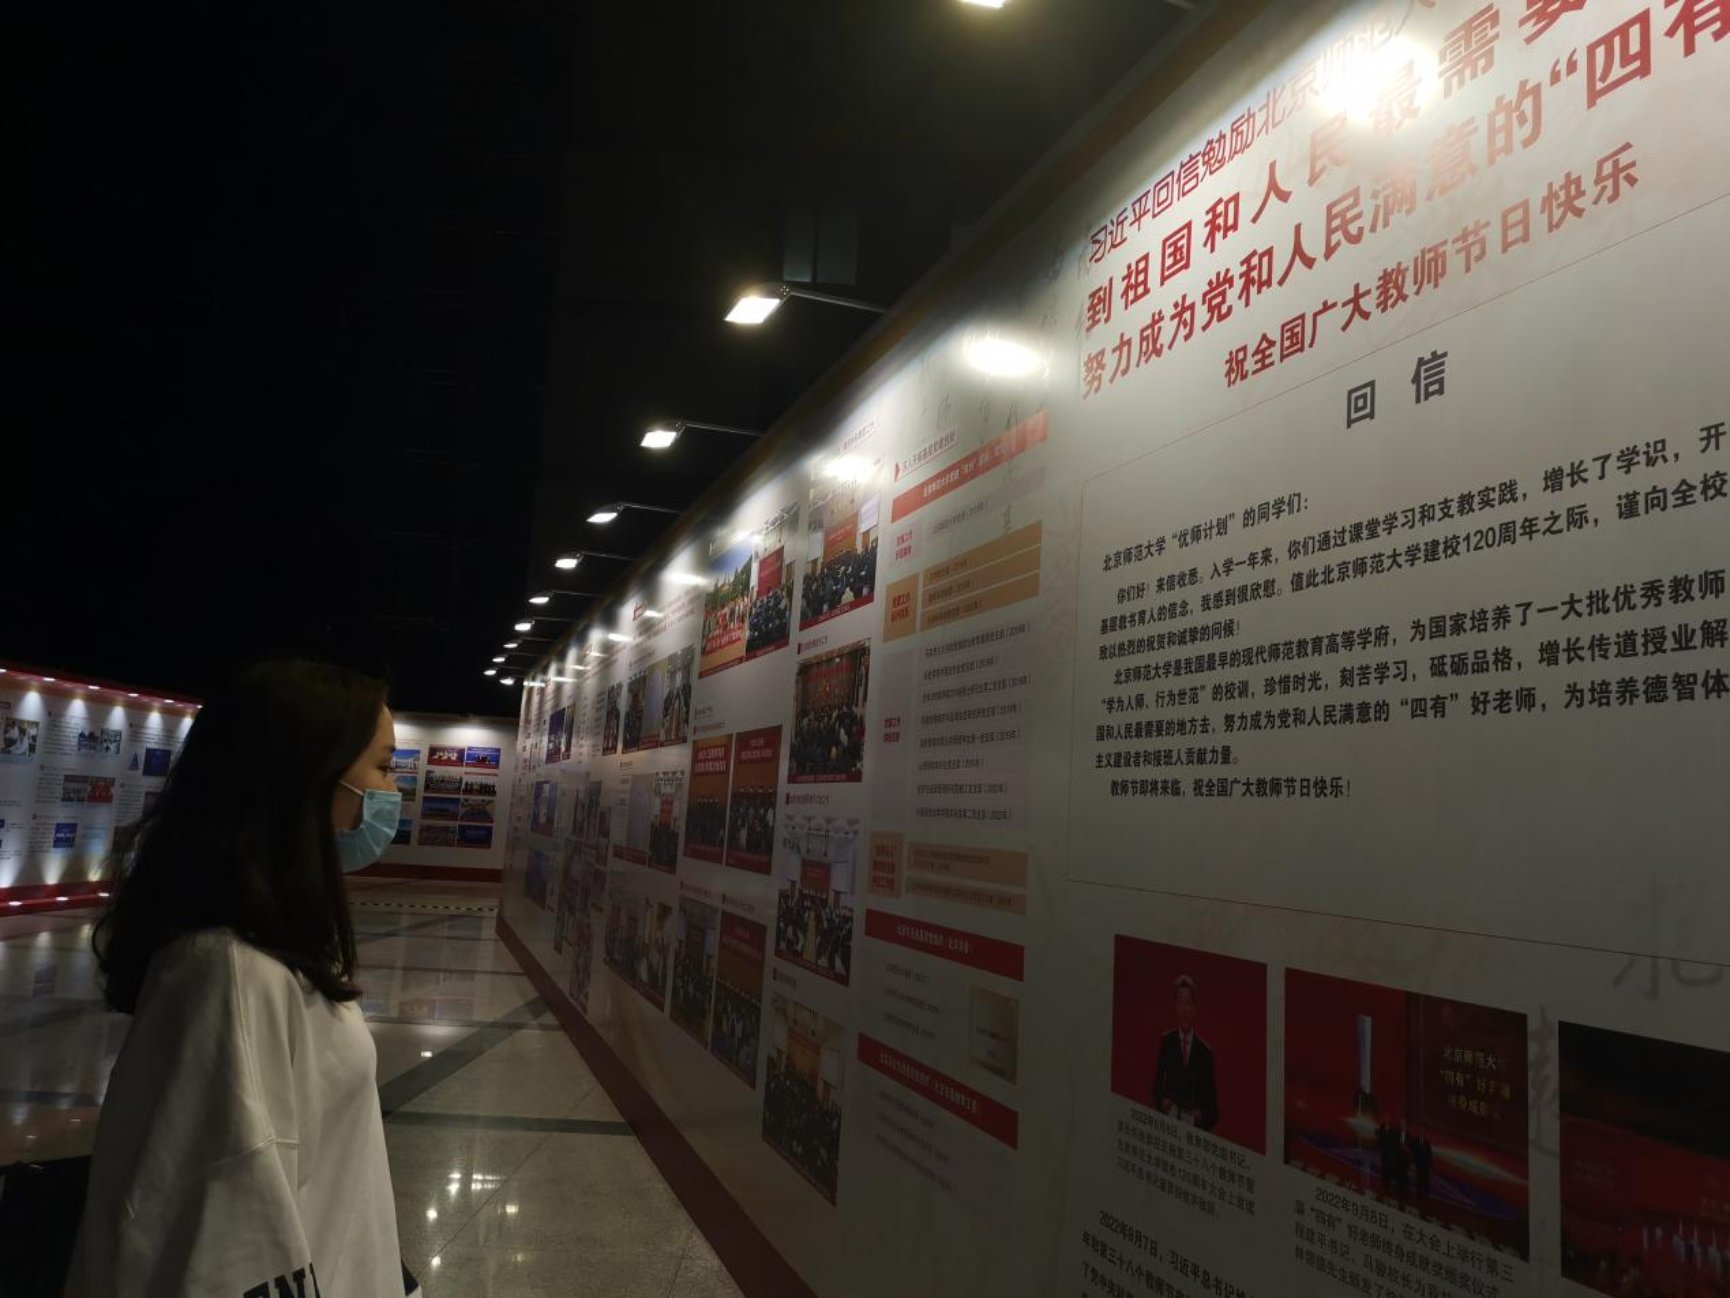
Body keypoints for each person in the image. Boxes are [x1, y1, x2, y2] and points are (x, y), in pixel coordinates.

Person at [66, 660, 416, 1297]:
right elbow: (225, 1233)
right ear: (308, 778)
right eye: (384, 768)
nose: (392, 793)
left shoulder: (275, 954)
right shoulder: (228, 973)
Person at [1151, 974, 1219, 1131]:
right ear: (1175, 1006)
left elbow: (1213, 1110)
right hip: (1168, 1127)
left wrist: (1199, 1116)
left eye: (1188, 1003)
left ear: (1195, 1008)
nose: (1184, 1009)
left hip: (1193, 1132)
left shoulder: (1205, 1053)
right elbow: (1156, 1089)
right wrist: (1164, 1103)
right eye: (1180, 1002)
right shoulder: (1166, 1042)